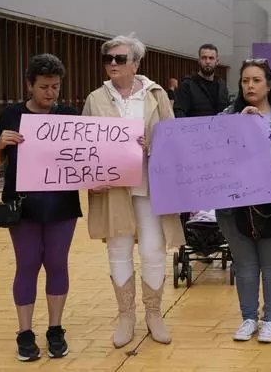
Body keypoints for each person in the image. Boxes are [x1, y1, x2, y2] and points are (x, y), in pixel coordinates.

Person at [82, 34, 184, 349]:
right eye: (108, 59)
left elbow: (174, 139)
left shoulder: (157, 95)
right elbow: (84, 145)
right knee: (118, 249)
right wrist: (89, 178)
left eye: (120, 59)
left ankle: (154, 314)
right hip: (112, 188)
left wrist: (152, 145)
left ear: (135, 63)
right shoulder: (95, 98)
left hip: (150, 186)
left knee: (153, 248)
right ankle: (126, 315)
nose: (113, 64)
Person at [0, 54, 81, 362]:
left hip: (62, 205)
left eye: (55, 87)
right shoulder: (11, 114)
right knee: (27, 263)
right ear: (29, 85)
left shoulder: (69, 115)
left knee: (57, 263)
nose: (50, 93)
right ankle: (25, 332)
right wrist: (0, 143)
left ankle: (55, 329)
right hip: (22, 205)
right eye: (44, 87)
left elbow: (86, 157)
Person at [216, 58, 271, 343]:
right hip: (235, 207)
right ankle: (248, 318)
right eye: (245, 81)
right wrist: (238, 125)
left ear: (269, 84)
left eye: (256, 80)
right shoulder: (228, 117)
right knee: (245, 265)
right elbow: (211, 155)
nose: (250, 86)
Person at [173, 43, 232, 118]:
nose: (207, 61)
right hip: (195, 129)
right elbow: (179, 113)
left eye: (211, 58)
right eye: (204, 58)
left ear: (217, 62)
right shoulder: (187, 85)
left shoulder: (222, 85)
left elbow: (227, 111)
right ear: (199, 60)